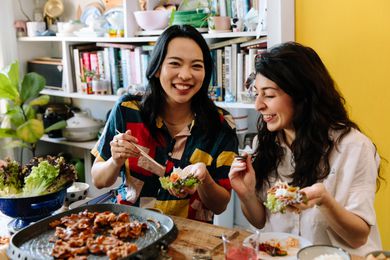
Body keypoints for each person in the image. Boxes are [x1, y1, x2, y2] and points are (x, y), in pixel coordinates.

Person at [229, 42, 382, 255]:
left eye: (269, 95)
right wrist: (246, 194)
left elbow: (358, 238)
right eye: (256, 93)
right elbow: (261, 220)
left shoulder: (354, 147)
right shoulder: (264, 144)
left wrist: (324, 201)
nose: (258, 105)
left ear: (302, 96)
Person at [91, 24, 238, 222]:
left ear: (205, 74)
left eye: (196, 66)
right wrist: (115, 160)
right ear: (158, 69)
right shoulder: (128, 109)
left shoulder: (221, 125)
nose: (185, 75)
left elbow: (219, 206)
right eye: (175, 63)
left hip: (190, 234)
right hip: (128, 226)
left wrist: (205, 178)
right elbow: (99, 180)